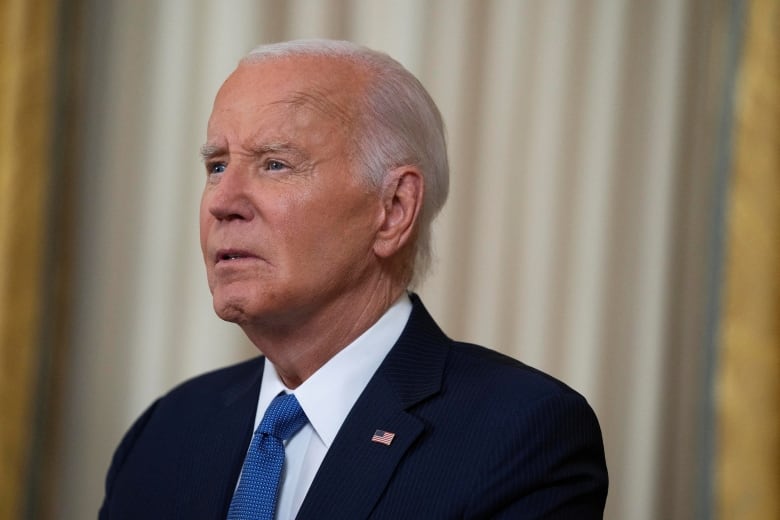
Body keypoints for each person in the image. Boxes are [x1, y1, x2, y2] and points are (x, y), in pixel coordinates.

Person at [99, 39, 608, 519]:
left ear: (392, 209)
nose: (222, 202)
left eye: (274, 164)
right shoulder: (166, 431)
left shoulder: (520, 435)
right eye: (216, 166)